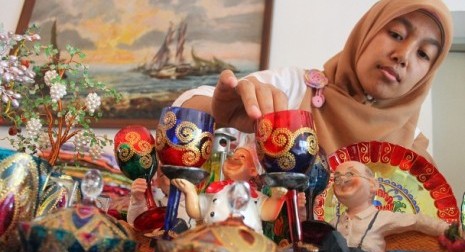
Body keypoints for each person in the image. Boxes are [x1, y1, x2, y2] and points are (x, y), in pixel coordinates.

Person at [173, 0, 453, 163]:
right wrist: (219, 115)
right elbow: (182, 108)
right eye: (395, 34)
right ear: (364, 33)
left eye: (423, 54)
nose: (403, 56)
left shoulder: (412, 156)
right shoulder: (292, 89)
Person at [309, 160, 449, 252]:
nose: (343, 180)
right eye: (337, 178)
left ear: (373, 185)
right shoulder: (335, 222)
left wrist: (450, 230)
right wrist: (305, 210)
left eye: (351, 174)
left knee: (332, 238)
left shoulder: (382, 218)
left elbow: (418, 221)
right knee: (324, 250)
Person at [171, 145, 303, 233]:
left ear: (252, 170)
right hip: (213, 245)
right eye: (234, 154)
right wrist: (190, 192)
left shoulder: (254, 196)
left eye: (242, 157)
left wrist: (276, 198)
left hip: (245, 249)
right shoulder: (215, 191)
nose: (234, 157)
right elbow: (196, 212)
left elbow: (268, 214)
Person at [127, 163, 195, 230]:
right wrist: (138, 200)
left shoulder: (200, 202)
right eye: (168, 174)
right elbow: (134, 224)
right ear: (156, 182)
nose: (175, 178)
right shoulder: (156, 208)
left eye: (180, 171)